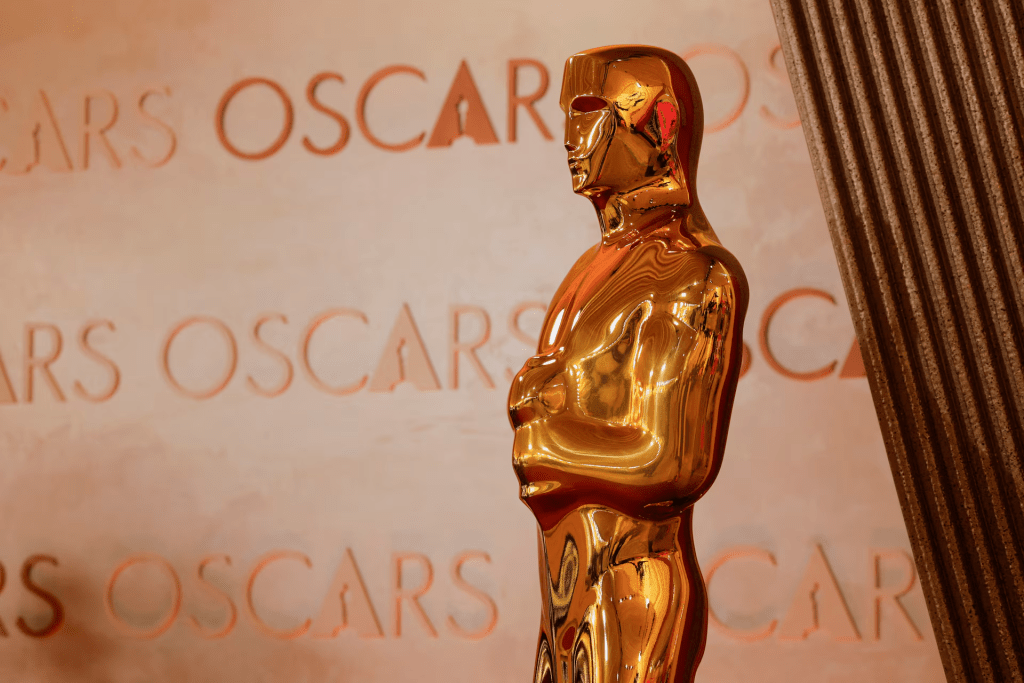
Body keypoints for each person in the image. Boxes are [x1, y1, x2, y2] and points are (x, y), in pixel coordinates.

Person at [508, 45, 748, 683]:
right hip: (564, 585)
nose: (569, 137)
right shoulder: (593, 267)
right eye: (566, 115)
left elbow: (671, 461)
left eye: (589, 114)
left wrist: (542, 441)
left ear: (654, 125)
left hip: (630, 589)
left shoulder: (694, 272)